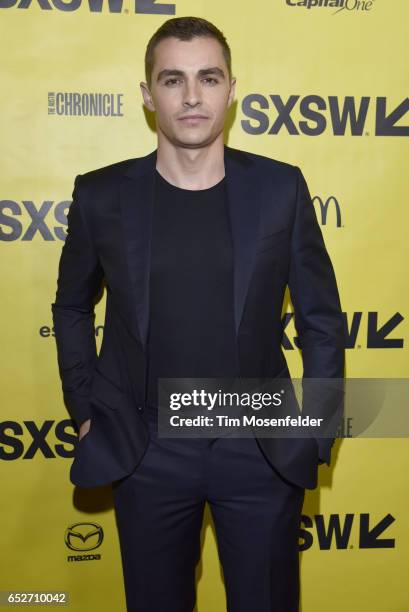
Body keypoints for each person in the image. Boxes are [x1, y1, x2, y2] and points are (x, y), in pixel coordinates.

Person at [52, 16, 345, 612]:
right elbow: (72, 306)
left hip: (260, 449)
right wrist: (86, 414)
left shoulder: (280, 189)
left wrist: (316, 430)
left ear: (231, 90)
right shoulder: (101, 196)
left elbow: (322, 318)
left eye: (208, 78)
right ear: (147, 95)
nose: (191, 96)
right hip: (145, 449)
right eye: (173, 79)